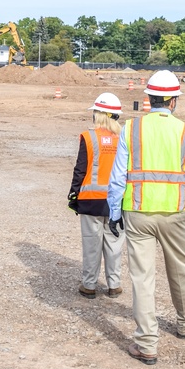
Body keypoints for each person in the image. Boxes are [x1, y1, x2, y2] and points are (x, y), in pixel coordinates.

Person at [108, 70, 185, 365]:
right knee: (180, 268)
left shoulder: (131, 129)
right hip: (175, 211)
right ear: (174, 101)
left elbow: (118, 177)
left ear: (149, 98)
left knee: (142, 277)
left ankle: (147, 343)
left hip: (137, 211)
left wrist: (114, 212)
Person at [68, 92, 125, 299]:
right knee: (114, 243)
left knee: (92, 243)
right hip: (117, 202)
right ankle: (114, 285)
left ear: (99, 114)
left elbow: (80, 169)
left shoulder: (88, 137)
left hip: (91, 200)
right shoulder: (124, 138)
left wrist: (74, 195)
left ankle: (89, 285)